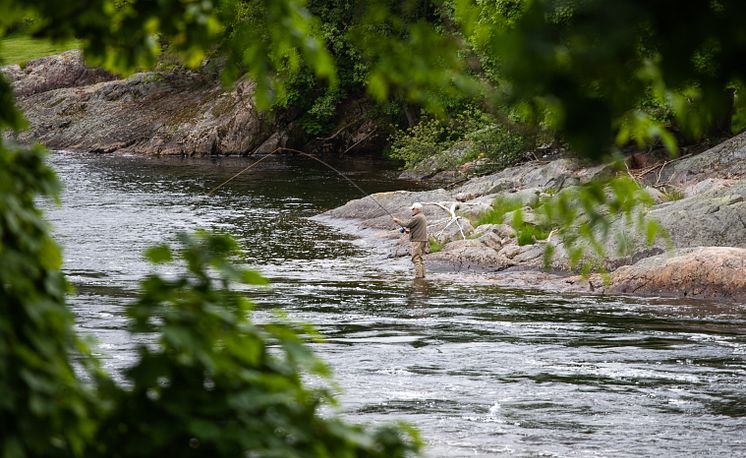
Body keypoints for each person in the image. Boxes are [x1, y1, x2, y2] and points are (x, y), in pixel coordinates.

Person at [394, 202, 428, 279]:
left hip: (417, 240)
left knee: (415, 258)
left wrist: (397, 221)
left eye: (413, 209)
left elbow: (406, 224)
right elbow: (418, 228)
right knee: (420, 258)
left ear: (417, 209)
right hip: (422, 240)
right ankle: (423, 276)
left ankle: (418, 277)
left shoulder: (417, 217)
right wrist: (409, 231)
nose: (412, 210)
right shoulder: (422, 216)